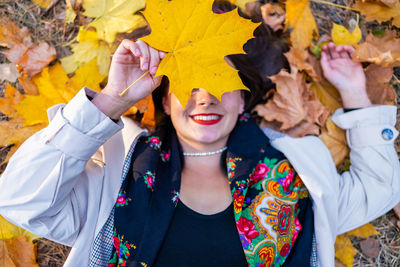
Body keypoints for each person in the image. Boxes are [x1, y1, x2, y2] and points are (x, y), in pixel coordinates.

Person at [0, 23, 399, 267]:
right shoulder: (116, 181)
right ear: (165, 99)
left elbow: (379, 187)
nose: (205, 98)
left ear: (244, 97)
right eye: (189, 87)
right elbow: (20, 200)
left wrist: (355, 92)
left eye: (223, 86)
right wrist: (110, 101)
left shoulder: (298, 177)